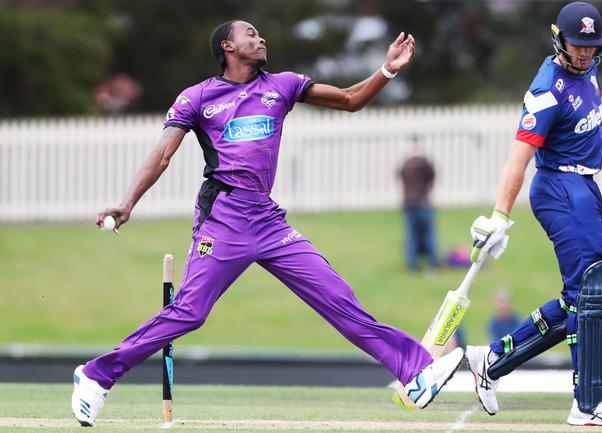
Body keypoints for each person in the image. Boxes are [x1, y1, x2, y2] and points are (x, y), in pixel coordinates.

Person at [70, 20, 465, 426]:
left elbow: (349, 99)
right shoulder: (198, 98)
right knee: (190, 312)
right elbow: (163, 154)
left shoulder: (283, 85)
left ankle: (416, 371)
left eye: (260, 34)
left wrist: (388, 71)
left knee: (337, 296)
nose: (261, 39)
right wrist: (127, 203)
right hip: (223, 219)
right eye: (251, 34)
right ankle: (96, 376)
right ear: (228, 46)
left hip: (268, 220)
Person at [462, 2, 602, 426]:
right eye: (576, 46)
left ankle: (489, 361)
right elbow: (519, 156)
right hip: (559, 187)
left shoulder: (588, 73)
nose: (584, 54)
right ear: (559, 40)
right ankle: (587, 406)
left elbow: (599, 108)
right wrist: (499, 216)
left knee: (578, 300)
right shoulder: (547, 90)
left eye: (591, 47)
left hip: (585, 188)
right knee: (591, 294)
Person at [398, 138, 439, 271]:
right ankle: (432, 263)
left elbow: (400, 176)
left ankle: (412, 264)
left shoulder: (406, 163)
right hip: (423, 201)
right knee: (428, 234)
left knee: (412, 235)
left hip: (409, 202)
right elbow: (432, 175)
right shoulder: (424, 162)